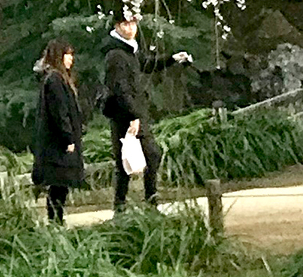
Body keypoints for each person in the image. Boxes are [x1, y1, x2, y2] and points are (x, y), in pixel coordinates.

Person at [98, 13, 194, 211]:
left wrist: (172, 59)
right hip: (124, 114)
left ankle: (145, 203)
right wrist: (133, 116)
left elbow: (146, 64)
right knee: (128, 161)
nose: (131, 28)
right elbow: (119, 89)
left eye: (133, 23)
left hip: (134, 112)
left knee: (149, 156)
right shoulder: (115, 55)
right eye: (126, 24)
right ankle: (125, 207)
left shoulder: (129, 50)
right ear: (117, 26)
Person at [31, 38, 89, 222]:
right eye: (67, 54)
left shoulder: (56, 79)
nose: (71, 58)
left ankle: (56, 220)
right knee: (58, 185)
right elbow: (59, 112)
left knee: (60, 186)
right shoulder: (55, 80)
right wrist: (68, 138)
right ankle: (56, 221)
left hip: (58, 142)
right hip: (58, 144)